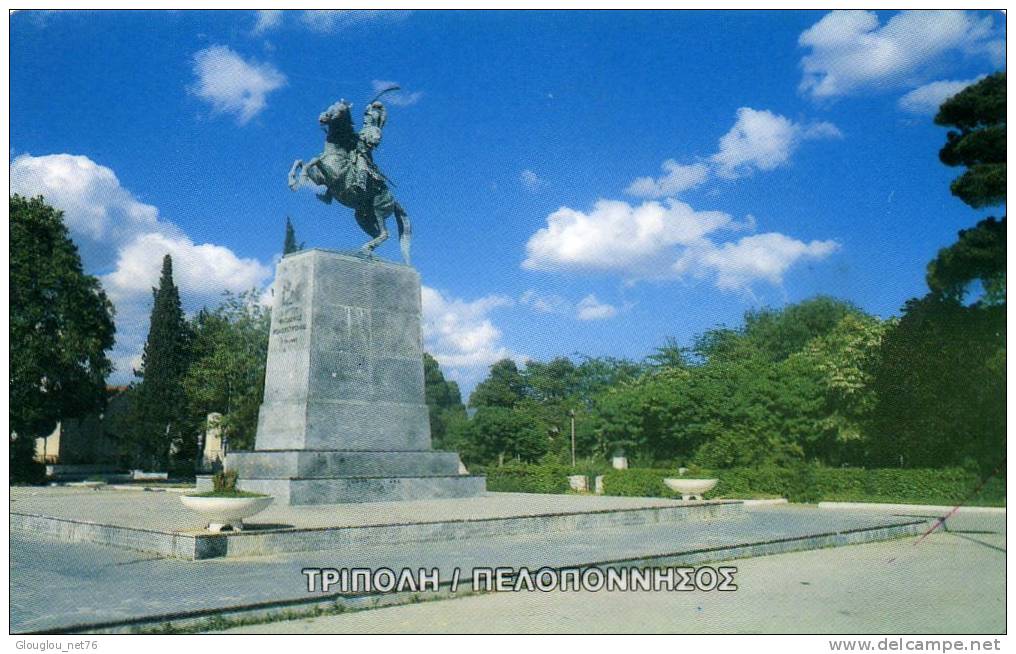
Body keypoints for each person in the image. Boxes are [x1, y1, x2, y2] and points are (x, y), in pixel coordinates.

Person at [351, 101, 387, 194]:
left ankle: (361, 183)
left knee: (361, 165)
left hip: (364, 154)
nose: (365, 119)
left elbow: (375, 142)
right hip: (354, 153)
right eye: (365, 117)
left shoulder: (376, 130)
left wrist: (363, 140)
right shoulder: (363, 129)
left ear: (373, 118)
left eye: (368, 117)